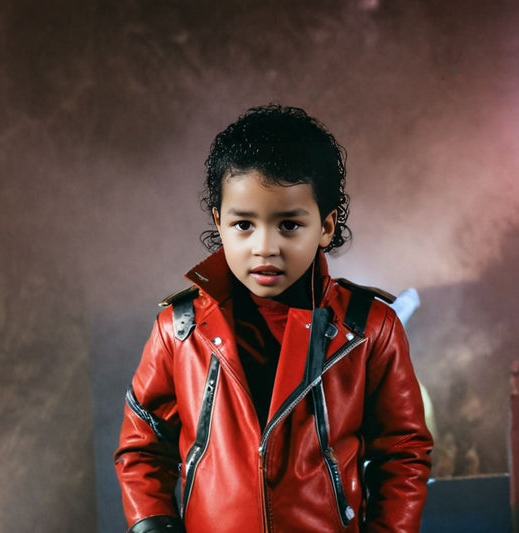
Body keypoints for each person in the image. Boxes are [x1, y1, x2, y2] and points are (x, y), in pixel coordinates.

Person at [114, 104, 433, 533]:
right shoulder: (179, 329)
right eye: (244, 225)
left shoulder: (370, 327)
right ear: (219, 223)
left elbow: (403, 451)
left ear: (325, 225)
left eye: (288, 225)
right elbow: (142, 449)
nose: (264, 247)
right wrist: (152, 526)